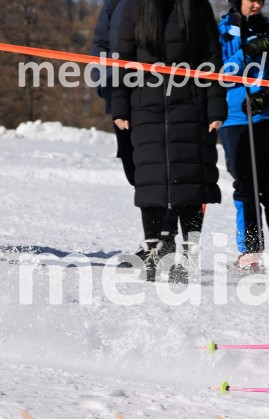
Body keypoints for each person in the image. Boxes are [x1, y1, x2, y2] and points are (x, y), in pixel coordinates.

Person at [112, 0, 227, 282]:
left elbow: (212, 57)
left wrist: (216, 108)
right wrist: (120, 105)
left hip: (191, 104)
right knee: (150, 182)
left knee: (190, 182)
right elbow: (123, 58)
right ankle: (153, 251)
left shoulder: (197, 6)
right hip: (146, 105)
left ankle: (189, 255)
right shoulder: (135, 7)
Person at [90, 0, 179, 263]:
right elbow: (101, 44)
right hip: (121, 95)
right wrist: (106, 84)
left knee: (160, 168)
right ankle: (155, 237)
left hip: (158, 96)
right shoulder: (115, 3)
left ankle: (164, 239)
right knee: (135, 170)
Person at [218, 0, 269, 273]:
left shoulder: (268, 29)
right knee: (245, 184)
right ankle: (251, 250)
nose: (256, 4)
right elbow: (221, 73)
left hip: (266, 116)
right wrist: (247, 51)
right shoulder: (222, 31)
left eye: (261, 0)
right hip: (234, 116)